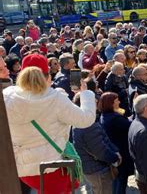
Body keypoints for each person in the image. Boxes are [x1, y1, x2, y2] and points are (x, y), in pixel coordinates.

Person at [5, 54, 96, 193]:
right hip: (51, 167)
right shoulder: (55, 99)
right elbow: (85, 119)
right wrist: (85, 93)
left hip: (23, 167)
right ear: (47, 76)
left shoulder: (7, 95)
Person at [72, 93, 120, 194]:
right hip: (98, 171)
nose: (96, 102)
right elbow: (100, 151)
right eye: (93, 101)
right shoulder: (87, 125)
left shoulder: (81, 121)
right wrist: (115, 158)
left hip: (92, 169)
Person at [98, 92, 134, 194]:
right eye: (116, 100)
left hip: (114, 149)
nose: (119, 101)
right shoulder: (115, 118)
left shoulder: (105, 115)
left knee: (118, 179)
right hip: (121, 152)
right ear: (111, 103)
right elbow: (130, 125)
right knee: (121, 180)